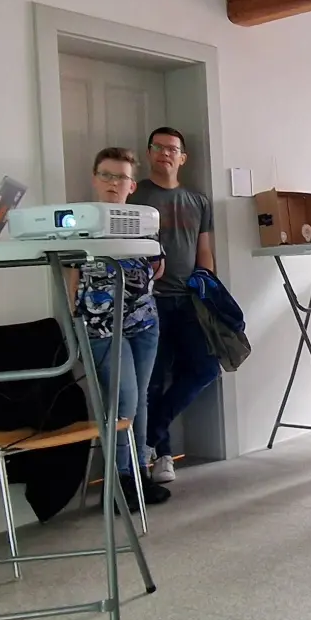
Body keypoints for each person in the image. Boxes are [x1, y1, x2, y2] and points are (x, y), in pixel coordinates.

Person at [68, 148, 170, 509]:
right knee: (122, 401)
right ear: (96, 178)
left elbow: (156, 264)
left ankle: (140, 472)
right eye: (107, 175)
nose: (114, 183)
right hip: (100, 327)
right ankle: (120, 480)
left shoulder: (143, 221)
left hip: (144, 322)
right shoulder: (79, 221)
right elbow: (70, 276)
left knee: (139, 399)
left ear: (132, 184)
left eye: (121, 177)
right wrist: (74, 323)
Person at [129, 125, 217, 485]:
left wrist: (207, 288)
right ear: (149, 153)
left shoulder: (198, 201)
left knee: (205, 369)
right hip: (148, 302)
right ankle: (162, 455)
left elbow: (205, 251)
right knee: (150, 383)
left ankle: (149, 437)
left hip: (189, 300)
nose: (165, 153)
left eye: (172, 149)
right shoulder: (135, 198)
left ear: (183, 158)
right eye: (158, 147)